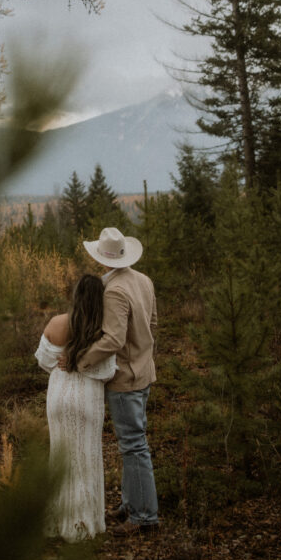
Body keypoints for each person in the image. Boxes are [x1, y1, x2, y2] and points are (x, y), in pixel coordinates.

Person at [74, 226, 159, 535]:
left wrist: (80, 361)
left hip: (126, 379)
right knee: (133, 444)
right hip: (143, 372)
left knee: (134, 446)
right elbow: (152, 323)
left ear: (103, 258)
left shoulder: (114, 291)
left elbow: (112, 340)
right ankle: (131, 504)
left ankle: (144, 516)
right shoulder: (143, 281)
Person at [34, 273, 117, 541]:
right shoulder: (103, 330)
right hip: (87, 397)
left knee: (60, 458)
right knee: (85, 459)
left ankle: (59, 522)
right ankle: (82, 524)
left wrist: (65, 361)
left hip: (59, 394)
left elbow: (44, 361)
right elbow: (107, 372)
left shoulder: (58, 323)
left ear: (76, 295)